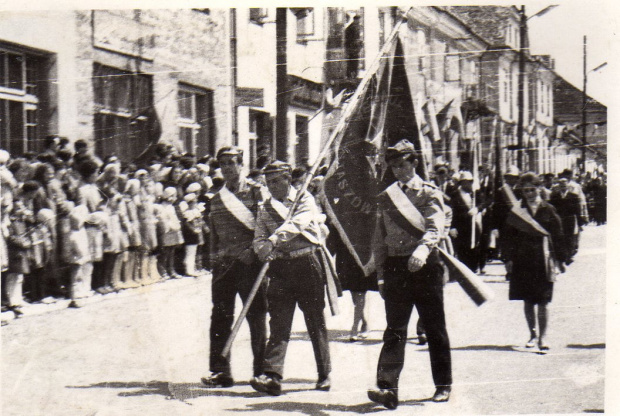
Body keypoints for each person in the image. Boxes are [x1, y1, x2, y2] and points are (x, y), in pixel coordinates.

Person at [367, 139, 451, 410]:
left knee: (434, 327)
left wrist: (423, 250)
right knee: (395, 330)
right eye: (392, 166)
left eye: (402, 164)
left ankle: (443, 384)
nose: (397, 170)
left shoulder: (428, 193)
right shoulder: (387, 196)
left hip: (424, 266)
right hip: (395, 268)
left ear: (414, 162)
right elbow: (379, 240)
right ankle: (387, 388)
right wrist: (380, 274)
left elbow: (435, 226)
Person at [251, 160, 331, 396]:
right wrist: (262, 249)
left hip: (307, 263)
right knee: (278, 323)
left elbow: (298, 223)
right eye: (269, 182)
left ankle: (324, 374)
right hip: (281, 268)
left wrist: (273, 239)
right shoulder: (265, 208)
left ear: (288, 179)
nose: (273, 186)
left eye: (277, 180)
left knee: (315, 321)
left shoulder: (304, 199)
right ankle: (273, 376)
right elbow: (258, 238)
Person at [201, 146, 267, 389]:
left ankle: (262, 371)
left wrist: (254, 251)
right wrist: (212, 258)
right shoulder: (216, 198)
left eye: (232, 163)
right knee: (220, 318)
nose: (227, 168)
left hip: (250, 263)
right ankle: (220, 371)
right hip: (224, 265)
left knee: (256, 318)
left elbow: (265, 225)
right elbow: (214, 235)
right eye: (223, 164)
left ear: (242, 164)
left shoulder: (258, 192)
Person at [502, 173, 566, 352]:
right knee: (528, 300)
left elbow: (558, 235)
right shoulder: (517, 211)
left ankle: (543, 338)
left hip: (543, 260)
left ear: (539, 188)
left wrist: (561, 259)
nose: (529, 193)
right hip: (523, 261)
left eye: (532, 189)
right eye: (525, 190)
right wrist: (507, 259)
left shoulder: (548, 209)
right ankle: (532, 334)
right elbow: (507, 237)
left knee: (543, 300)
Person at [549, 177, 584, 265]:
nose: (563, 187)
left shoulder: (573, 196)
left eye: (564, 185)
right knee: (561, 237)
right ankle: (564, 256)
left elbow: (577, 210)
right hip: (559, 220)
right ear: (559, 186)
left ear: (568, 186)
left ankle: (568, 256)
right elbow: (552, 210)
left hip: (570, 220)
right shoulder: (554, 196)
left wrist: (580, 222)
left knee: (569, 237)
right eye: (561, 185)